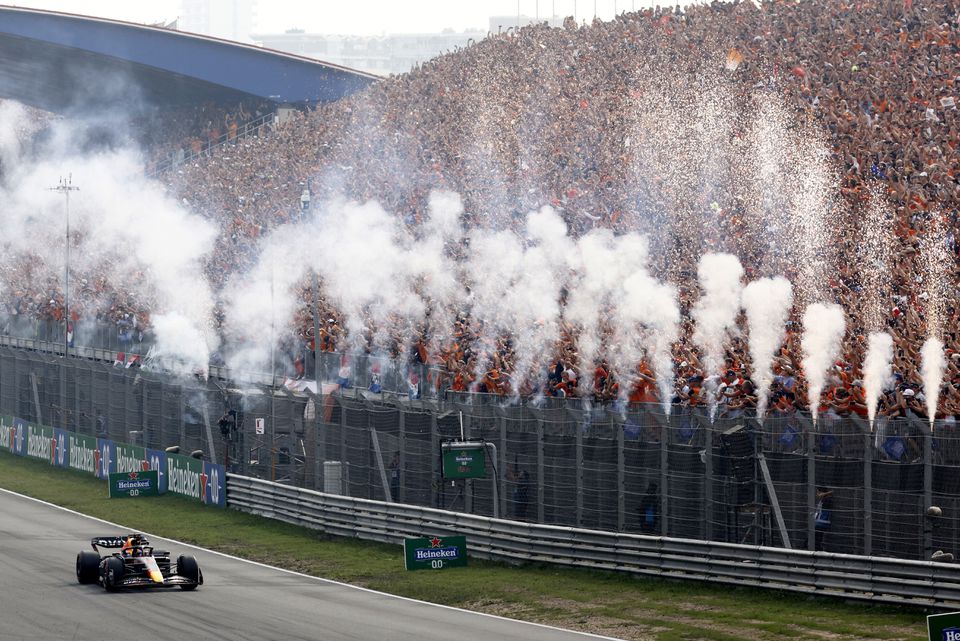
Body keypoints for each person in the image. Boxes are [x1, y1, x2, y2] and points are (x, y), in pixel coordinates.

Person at [814, 487, 833, 551]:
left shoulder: (827, 500)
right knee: (817, 538)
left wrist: (825, 494)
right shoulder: (823, 500)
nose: (817, 494)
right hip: (819, 522)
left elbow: (832, 492)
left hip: (821, 522)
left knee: (816, 538)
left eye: (818, 492)